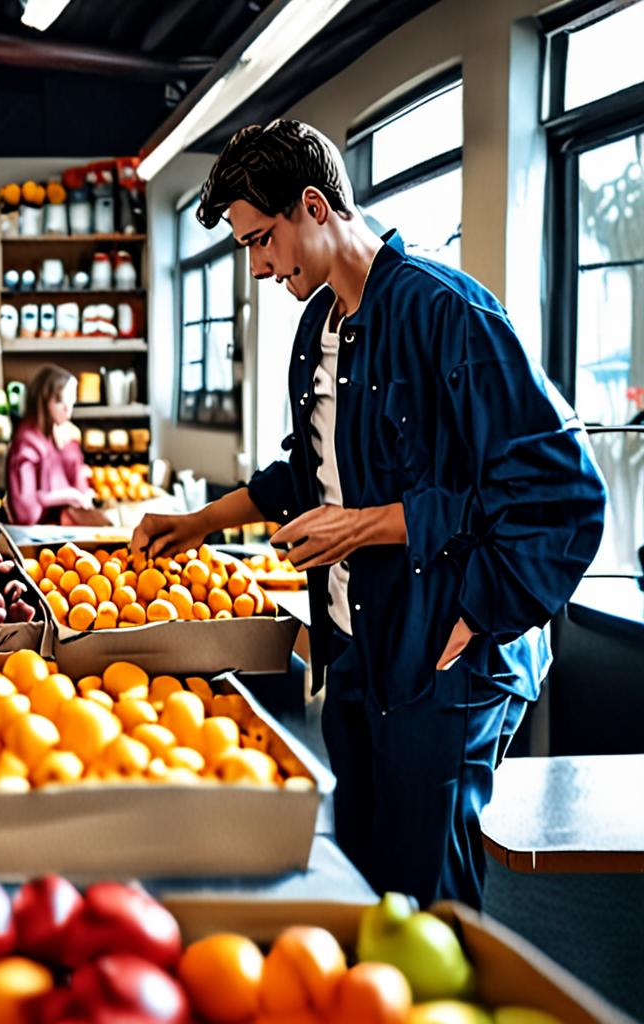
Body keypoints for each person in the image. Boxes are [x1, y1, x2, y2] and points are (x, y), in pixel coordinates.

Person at [132, 120, 607, 908]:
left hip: (446, 650)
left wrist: (469, 604)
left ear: (313, 206)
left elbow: (559, 490)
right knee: (360, 882)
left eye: (261, 241)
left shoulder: (449, 313)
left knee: (425, 892)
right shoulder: (316, 328)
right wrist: (200, 523)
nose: (256, 268)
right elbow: (309, 472)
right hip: (358, 646)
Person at [6, 364, 99, 526]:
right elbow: (26, 513)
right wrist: (67, 495)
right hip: (34, 535)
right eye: (60, 402)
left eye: (71, 403)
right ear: (43, 400)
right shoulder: (27, 443)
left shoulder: (52, 437)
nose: (67, 410)